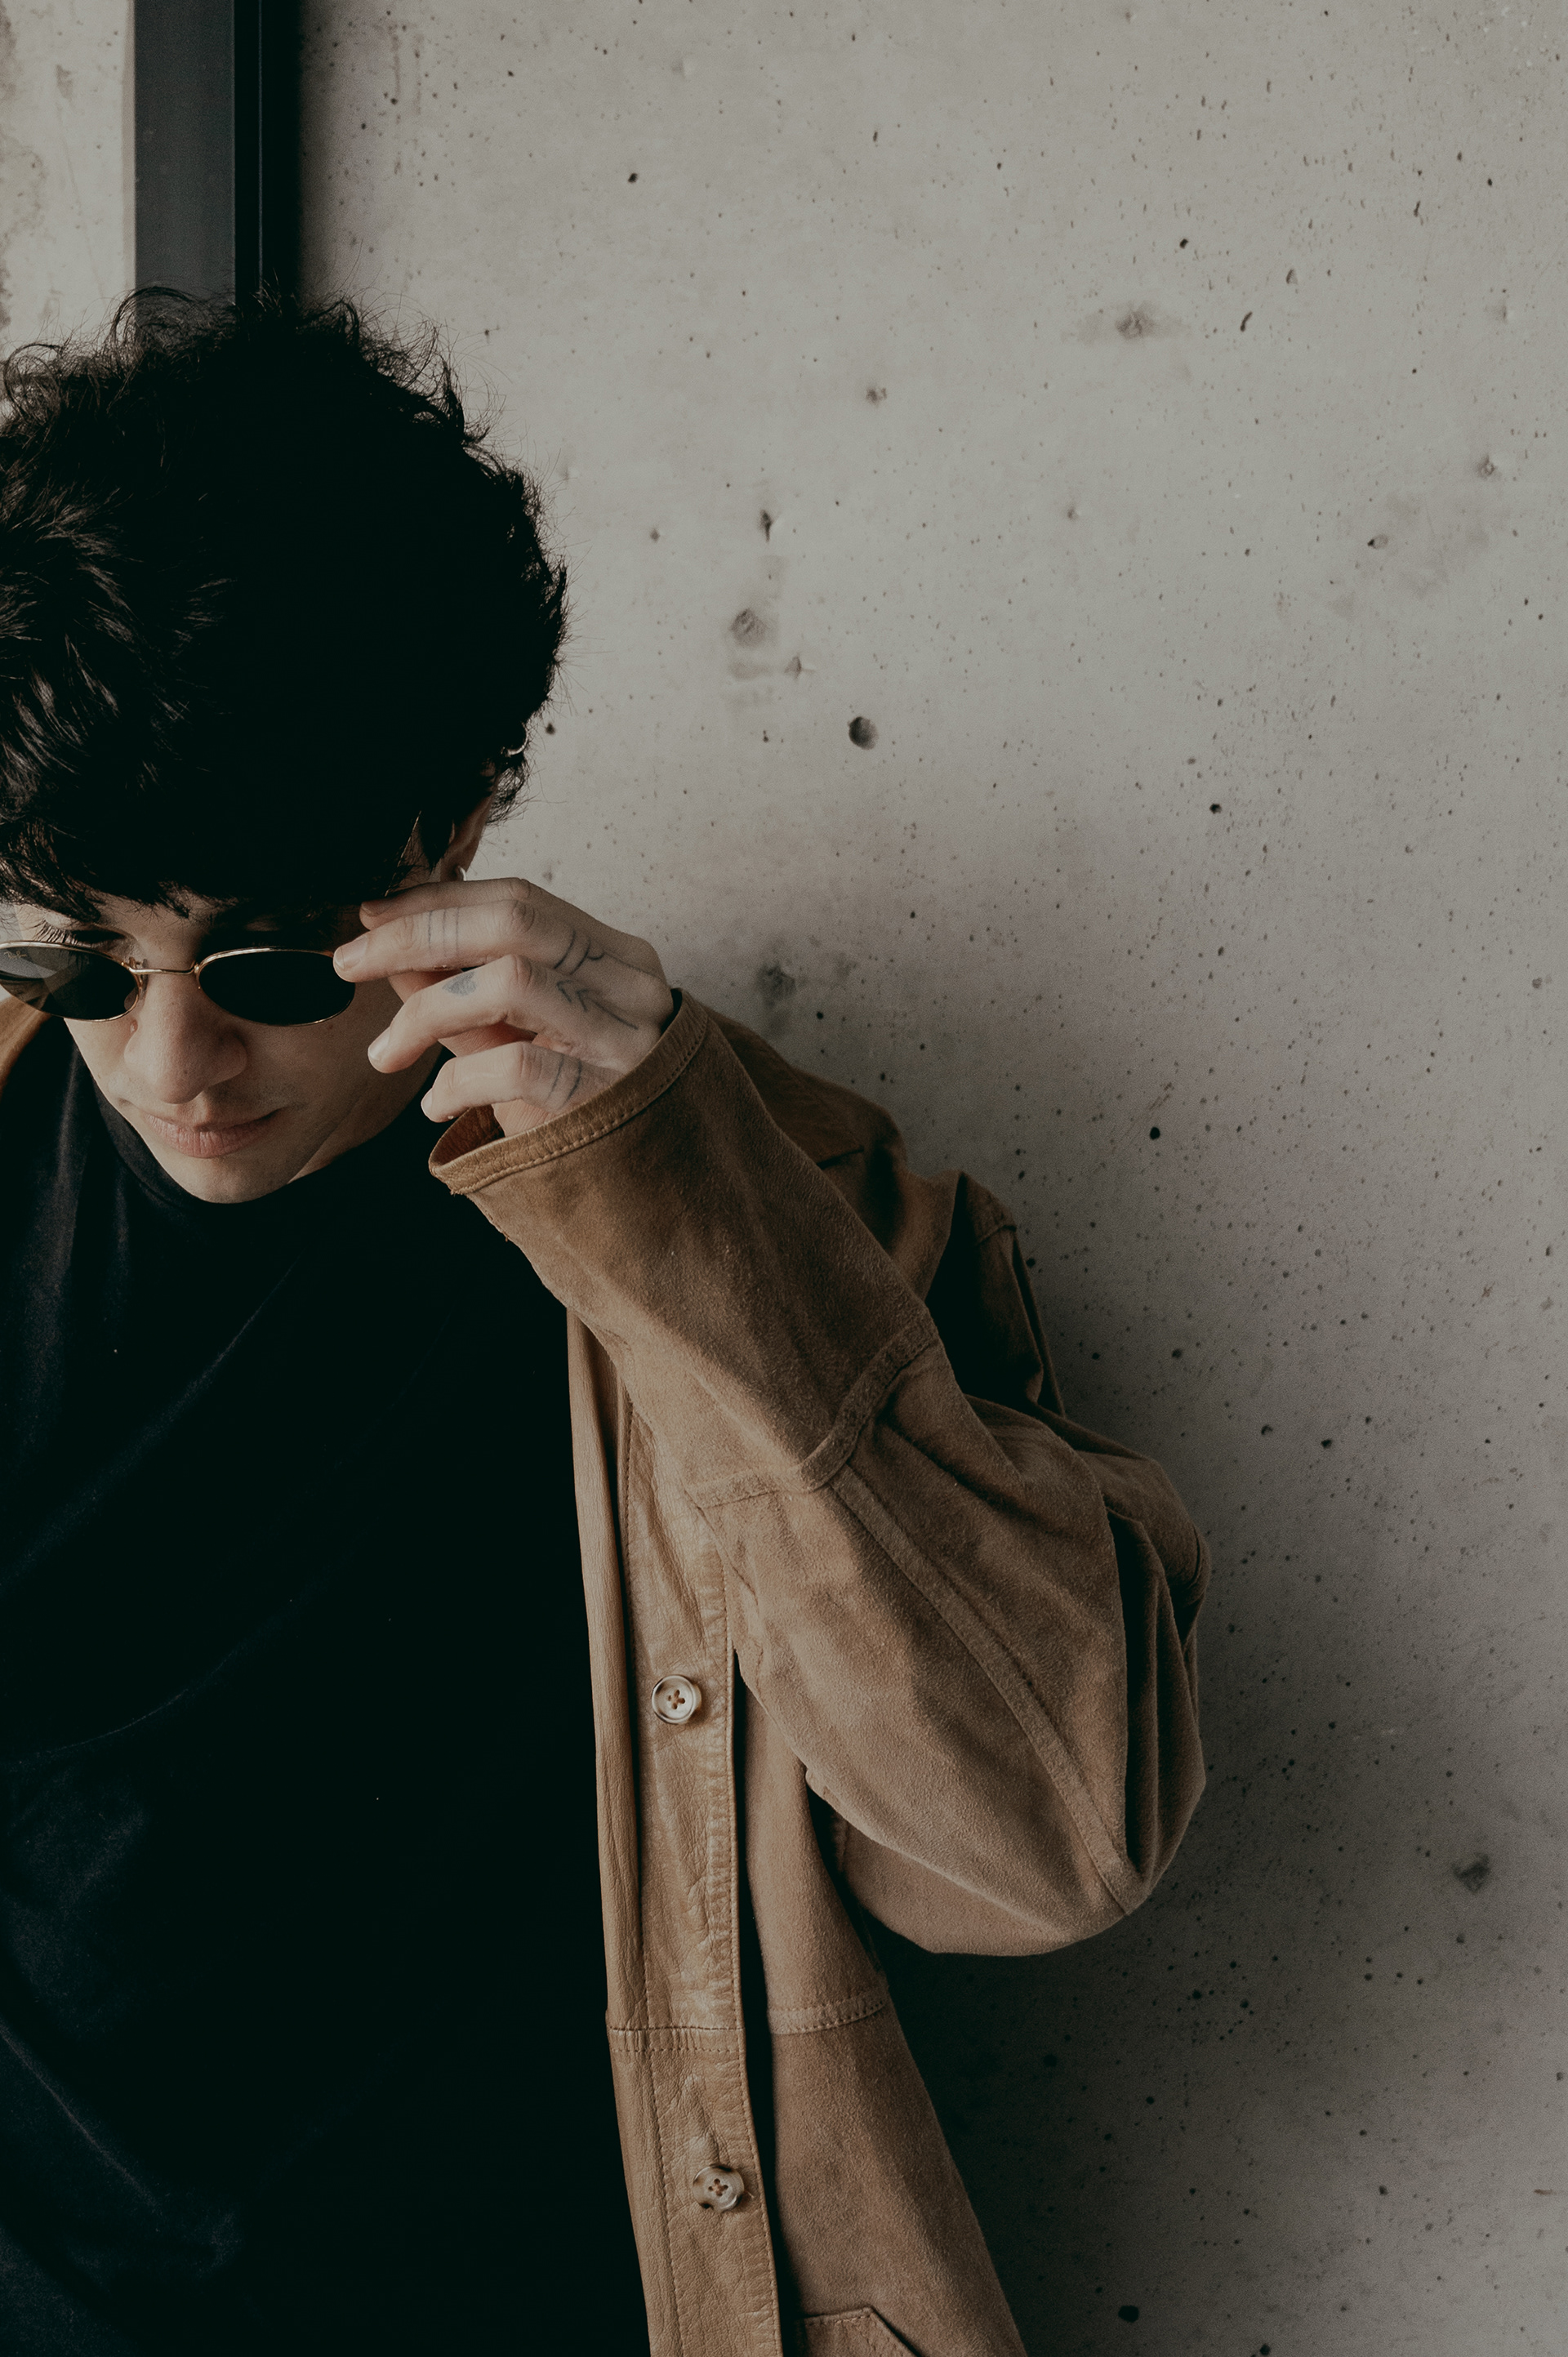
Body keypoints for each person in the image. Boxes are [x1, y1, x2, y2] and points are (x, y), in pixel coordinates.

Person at [0, 293, 1209, 2356]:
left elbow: (1048, 1843)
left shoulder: (775, 1200)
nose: (173, 1066)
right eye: (89, 966)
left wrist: (685, 1220)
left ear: (461, 818)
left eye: (269, 965)